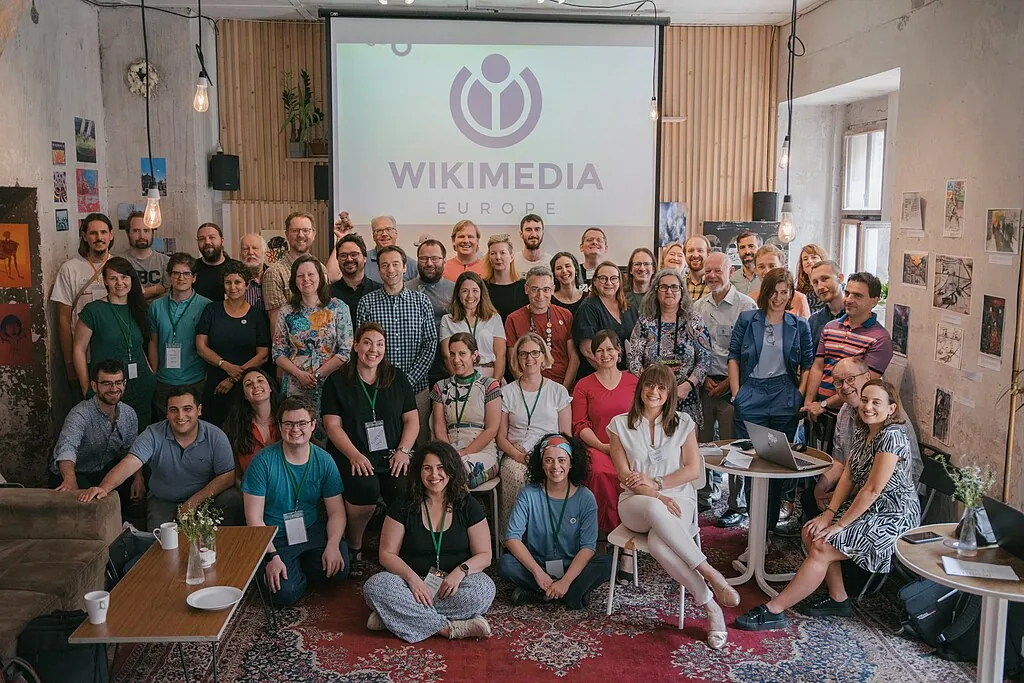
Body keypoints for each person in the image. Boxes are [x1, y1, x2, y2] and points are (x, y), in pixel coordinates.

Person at [735, 380, 920, 630]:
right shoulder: (864, 430)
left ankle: (774, 610)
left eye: (876, 402)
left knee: (823, 544)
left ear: (891, 409)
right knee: (811, 531)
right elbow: (849, 475)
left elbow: (872, 490)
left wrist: (839, 525)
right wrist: (828, 515)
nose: (868, 407)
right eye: (865, 400)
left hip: (893, 515)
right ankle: (838, 598)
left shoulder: (892, 436)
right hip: (869, 507)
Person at [607, 363, 740, 649]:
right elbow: (626, 477)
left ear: (669, 393)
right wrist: (657, 496)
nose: (653, 391)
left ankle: (711, 607)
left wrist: (657, 484)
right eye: (649, 385)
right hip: (635, 503)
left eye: (661, 387)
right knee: (655, 509)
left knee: (658, 544)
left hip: (679, 498)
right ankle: (711, 574)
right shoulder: (619, 424)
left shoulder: (683, 423)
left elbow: (692, 470)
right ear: (640, 388)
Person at [362, 441, 496, 642]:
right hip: (411, 584)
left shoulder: (468, 505)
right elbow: (387, 554)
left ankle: (394, 616)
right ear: (419, 472)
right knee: (376, 586)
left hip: (453, 584)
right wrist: (412, 580)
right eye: (427, 468)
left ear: (451, 471)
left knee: (484, 589)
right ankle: (447, 628)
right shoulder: (403, 504)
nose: (434, 475)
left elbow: (485, 555)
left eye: (441, 468)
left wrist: (460, 572)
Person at [77, 386, 244, 529]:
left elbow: (227, 476)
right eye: (174, 410)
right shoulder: (152, 433)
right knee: (160, 544)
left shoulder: (215, 436)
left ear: (198, 410)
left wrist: (193, 502)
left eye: (187, 409)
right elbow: (129, 463)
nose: (180, 416)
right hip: (164, 500)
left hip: (203, 499)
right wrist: (104, 488)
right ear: (167, 413)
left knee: (232, 498)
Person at [724, 267, 814, 531]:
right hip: (751, 392)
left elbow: (808, 364)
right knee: (752, 463)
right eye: (774, 292)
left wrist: (799, 395)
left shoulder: (799, 325)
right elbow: (733, 356)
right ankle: (755, 528)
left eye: (784, 292)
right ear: (765, 292)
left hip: (784, 395)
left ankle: (769, 528)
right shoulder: (747, 319)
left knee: (776, 465)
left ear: (791, 294)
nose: (778, 298)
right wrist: (737, 393)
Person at [322, 323, 419, 562]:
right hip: (353, 454)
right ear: (355, 346)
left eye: (379, 344)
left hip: (393, 454)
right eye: (367, 342)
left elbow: (412, 420)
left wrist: (403, 451)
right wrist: (354, 455)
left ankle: (394, 548)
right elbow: (332, 425)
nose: (373, 349)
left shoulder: (397, 378)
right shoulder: (337, 381)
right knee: (365, 488)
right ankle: (355, 544)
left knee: (403, 489)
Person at [242, 396, 350, 606]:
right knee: (284, 594)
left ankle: (300, 567)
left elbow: (336, 512)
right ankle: (281, 569)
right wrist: (271, 557)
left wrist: (333, 544)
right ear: (280, 426)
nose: (295, 430)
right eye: (289, 424)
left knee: (339, 570)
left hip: (311, 528)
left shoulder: (324, 460)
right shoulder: (262, 462)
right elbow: (254, 518)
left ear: (313, 425)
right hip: (275, 536)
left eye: (302, 423)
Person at [802, 358, 923, 520]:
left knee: (824, 526)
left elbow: (875, 486)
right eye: (838, 382)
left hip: (886, 498)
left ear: (867, 377)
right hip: (859, 484)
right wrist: (821, 488)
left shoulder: (891, 425)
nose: (845, 386)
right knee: (811, 498)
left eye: (851, 379)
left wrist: (839, 503)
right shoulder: (846, 411)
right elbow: (841, 462)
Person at [501, 433, 612, 608]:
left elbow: (588, 547)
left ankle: (542, 593)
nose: (555, 466)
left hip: (572, 568)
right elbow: (512, 538)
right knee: (506, 564)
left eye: (561, 460)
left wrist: (566, 580)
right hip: (538, 566)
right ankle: (571, 594)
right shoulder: (528, 494)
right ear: (541, 464)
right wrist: (538, 572)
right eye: (549, 460)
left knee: (608, 563)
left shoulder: (586, 498)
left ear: (571, 463)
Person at [693, 252, 757, 512]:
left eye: (717, 271)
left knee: (735, 447)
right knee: (704, 445)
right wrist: (703, 378)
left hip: (734, 389)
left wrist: (729, 383)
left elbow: (752, 353)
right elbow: (695, 348)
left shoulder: (747, 306)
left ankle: (736, 504)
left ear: (731, 272)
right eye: (707, 271)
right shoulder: (698, 307)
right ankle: (706, 494)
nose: (711, 276)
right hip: (705, 386)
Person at [357, 246, 438, 444]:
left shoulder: (421, 302)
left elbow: (430, 344)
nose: (390, 269)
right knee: (382, 443)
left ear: (404, 267)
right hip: (378, 388)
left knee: (418, 444)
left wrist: (406, 381)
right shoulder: (367, 303)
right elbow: (363, 348)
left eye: (395, 264)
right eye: (385, 265)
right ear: (379, 269)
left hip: (417, 388)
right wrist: (383, 381)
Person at [496, 333, 573, 533]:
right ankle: (515, 536)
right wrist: (520, 456)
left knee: (554, 471)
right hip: (516, 452)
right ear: (517, 359)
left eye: (534, 353)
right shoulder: (508, 392)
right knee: (517, 474)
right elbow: (501, 438)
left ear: (543, 356)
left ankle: (549, 535)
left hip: (550, 451)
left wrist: (548, 454)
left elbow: (566, 436)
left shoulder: (558, 391)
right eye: (523, 354)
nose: (529, 358)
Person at [73, 257, 156, 425]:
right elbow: (78, 349)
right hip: (109, 388)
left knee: (141, 434)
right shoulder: (93, 310)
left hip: (141, 385)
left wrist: (151, 374)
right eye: (113, 278)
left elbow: (140, 345)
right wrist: (86, 387)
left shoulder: (140, 309)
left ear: (131, 279)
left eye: (124, 277)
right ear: (105, 281)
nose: (120, 283)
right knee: (108, 434)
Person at [571, 330, 638, 534]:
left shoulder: (634, 381)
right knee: (601, 473)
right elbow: (580, 425)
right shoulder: (583, 385)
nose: (605, 354)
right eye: (599, 350)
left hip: (631, 446)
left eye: (610, 349)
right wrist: (602, 446)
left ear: (619, 351)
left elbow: (644, 418)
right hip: (598, 446)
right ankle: (606, 532)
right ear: (593, 355)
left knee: (637, 472)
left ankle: (635, 526)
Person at [272, 255, 353, 424]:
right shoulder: (286, 311)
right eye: (300, 276)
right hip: (295, 384)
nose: (306, 279)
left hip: (331, 381)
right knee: (298, 427)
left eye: (311, 274)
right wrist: (299, 375)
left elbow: (345, 352)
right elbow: (278, 352)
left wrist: (317, 374)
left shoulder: (338, 307)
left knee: (331, 427)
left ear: (320, 277)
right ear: (294, 281)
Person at [627, 268, 712, 428]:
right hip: (652, 398)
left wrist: (688, 385)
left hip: (685, 396)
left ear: (682, 291)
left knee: (685, 441)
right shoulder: (645, 321)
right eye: (663, 287)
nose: (669, 291)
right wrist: (649, 386)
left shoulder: (693, 321)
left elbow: (705, 359)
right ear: (655, 291)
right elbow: (633, 359)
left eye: (674, 287)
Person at [803, 271, 893, 420]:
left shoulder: (880, 339)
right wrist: (809, 403)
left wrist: (824, 404)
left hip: (850, 416)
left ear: (874, 301)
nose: (849, 300)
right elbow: (818, 367)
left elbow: (863, 385)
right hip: (817, 412)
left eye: (857, 296)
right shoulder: (830, 327)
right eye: (847, 293)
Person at [51, 359, 142, 503]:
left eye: (118, 382)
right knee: (88, 502)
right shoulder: (80, 414)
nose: (114, 389)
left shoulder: (129, 413)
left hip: (105, 470)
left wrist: (138, 478)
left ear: (124, 384)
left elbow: (132, 451)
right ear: (94, 386)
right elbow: (67, 447)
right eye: (106, 383)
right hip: (77, 472)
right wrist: (70, 479)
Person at [195, 260, 271, 426]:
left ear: (247, 285)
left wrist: (234, 378)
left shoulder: (257, 316)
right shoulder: (211, 310)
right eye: (228, 282)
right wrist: (226, 366)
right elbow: (201, 347)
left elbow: (263, 354)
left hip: (248, 388)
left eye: (238, 282)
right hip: (216, 386)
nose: (232, 287)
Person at [52, 212, 114, 396]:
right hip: (83, 357)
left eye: (103, 232)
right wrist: (69, 362)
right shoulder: (70, 269)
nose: (99, 237)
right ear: (85, 237)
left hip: (114, 353)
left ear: (111, 235)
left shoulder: (120, 266)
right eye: (93, 233)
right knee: (86, 403)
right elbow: (63, 320)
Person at [430, 332, 501, 489]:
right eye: (452, 354)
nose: (456, 360)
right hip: (449, 450)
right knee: (433, 471)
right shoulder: (440, 387)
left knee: (457, 471)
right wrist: (450, 453)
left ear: (474, 355)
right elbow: (439, 428)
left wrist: (464, 453)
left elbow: (492, 429)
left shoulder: (489, 385)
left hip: (482, 451)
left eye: (462, 354)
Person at [147, 253, 212, 419]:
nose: (181, 278)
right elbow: (153, 342)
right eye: (176, 273)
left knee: (191, 426)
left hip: (195, 379)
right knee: (164, 427)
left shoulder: (207, 306)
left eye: (186, 273)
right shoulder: (156, 306)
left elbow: (209, 345)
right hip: (164, 380)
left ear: (194, 278)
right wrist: (154, 374)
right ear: (169, 277)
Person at [505, 266, 580, 387]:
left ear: (552, 290)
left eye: (546, 289)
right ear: (526, 289)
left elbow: (574, 358)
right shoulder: (513, 319)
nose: (540, 295)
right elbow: (513, 362)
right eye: (535, 289)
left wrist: (563, 389)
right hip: (529, 388)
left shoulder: (565, 315)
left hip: (562, 386)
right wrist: (529, 390)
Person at [408, 239, 456, 393]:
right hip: (413, 369)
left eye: (435, 258)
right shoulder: (405, 289)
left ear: (444, 260)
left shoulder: (455, 290)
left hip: (448, 368)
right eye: (424, 258)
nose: (429, 263)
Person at [575, 261, 638, 378]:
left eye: (614, 278)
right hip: (600, 376)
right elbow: (587, 350)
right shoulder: (588, 308)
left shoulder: (629, 308)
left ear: (620, 281)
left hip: (628, 375)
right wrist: (612, 375)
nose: (609, 283)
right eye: (603, 278)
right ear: (595, 281)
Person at [440, 272, 506, 381]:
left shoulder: (494, 318)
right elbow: (447, 356)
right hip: (460, 376)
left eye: (475, 290)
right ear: (458, 293)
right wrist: (459, 382)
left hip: (490, 376)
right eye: (465, 291)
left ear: (481, 293)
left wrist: (495, 384)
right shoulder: (447, 320)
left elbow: (500, 355)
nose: (470, 296)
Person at [263, 212, 322, 329]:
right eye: (295, 231)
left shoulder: (322, 269)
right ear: (287, 234)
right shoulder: (274, 273)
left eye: (306, 230)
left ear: (313, 234)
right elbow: (277, 326)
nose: (301, 235)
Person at [222, 367, 281, 485]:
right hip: (250, 489)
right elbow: (235, 475)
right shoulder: (234, 427)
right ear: (244, 395)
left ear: (270, 388)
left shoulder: (287, 421)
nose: (255, 385)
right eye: (248, 384)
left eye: (260, 380)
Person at [330, 233, 381, 317]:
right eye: (343, 255)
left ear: (364, 258)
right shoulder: (328, 294)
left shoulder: (379, 291)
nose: (349, 259)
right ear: (337, 259)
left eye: (354, 254)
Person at [122, 211, 168, 302]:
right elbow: (122, 296)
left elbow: (170, 295)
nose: (141, 236)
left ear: (152, 233)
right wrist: (157, 289)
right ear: (128, 233)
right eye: (136, 231)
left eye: (146, 230)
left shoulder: (165, 261)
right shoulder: (119, 262)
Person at [754, 244, 810, 318]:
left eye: (772, 266)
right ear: (755, 270)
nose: (767, 271)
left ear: (783, 267)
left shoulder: (799, 299)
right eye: (761, 267)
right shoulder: (750, 300)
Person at [482, 233, 529, 321]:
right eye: (493, 253)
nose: (498, 257)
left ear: (511, 257)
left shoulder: (524, 287)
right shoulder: (482, 286)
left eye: (502, 253)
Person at [193, 222, 241, 302]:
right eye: (202, 239)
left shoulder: (237, 268)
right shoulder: (191, 269)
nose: (207, 242)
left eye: (212, 237)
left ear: (222, 240)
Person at [362, 215, 417, 283]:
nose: (384, 234)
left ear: (396, 233)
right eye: (379, 231)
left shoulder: (412, 265)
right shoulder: (363, 261)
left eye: (389, 229)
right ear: (373, 236)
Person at [807, 260, 846, 349]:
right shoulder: (813, 321)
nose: (820, 287)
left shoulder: (857, 317)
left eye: (825, 279)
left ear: (840, 278)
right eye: (815, 282)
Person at [796, 244, 829, 314]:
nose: (809, 261)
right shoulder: (799, 292)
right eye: (805, 259)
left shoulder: (832, 287)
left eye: (814, 257)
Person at [239, 233, 268, 312]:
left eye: (255, 248)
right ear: (240, 254)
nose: (250, 252)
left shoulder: (275, 277)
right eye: (245, 249)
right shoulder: (235, 281)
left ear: (265, 253)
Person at [729, 231, 761, 296]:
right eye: (742, 247)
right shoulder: (731, 280)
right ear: (738, 251)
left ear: (759, 249)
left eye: (751, 246)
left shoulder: (767, 278)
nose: (747, 251)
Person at [684, 236, 712, 302]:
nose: (695, 255)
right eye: (691, 251)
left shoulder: (715, 285)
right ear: (685, 254)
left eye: (700, 251)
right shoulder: (679, 284)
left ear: (708, 254)